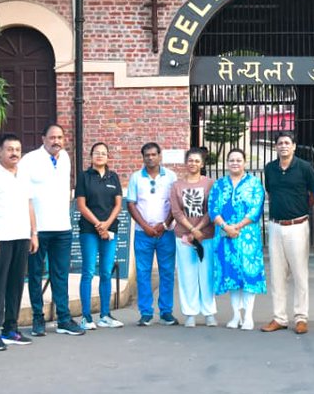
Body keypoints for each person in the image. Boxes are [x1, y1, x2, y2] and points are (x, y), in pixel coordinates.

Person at [21, 124, 83, 336]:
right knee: (36, 275)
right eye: (52, 137)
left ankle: (64, 318)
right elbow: (24, 195)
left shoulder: (65, 157)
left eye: (59, 137)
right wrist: (31, 230)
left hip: (62, 228)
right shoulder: (29, 160)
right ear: (43, 138)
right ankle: (38, 318)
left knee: (61, 275)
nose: (56, 141)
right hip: (38, 230)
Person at [0, 134, 38, 351]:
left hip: (21, 236)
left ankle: (10, 328)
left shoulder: (23, 174)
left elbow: (29, 204)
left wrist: (34, 233)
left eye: (17, 149)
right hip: (0, 238)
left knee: (15, 285)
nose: (14, 153)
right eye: (9, 149)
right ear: (0, 152)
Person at [261, 131, 314, 334]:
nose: (283, 146)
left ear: (294, 146)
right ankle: (279, 317)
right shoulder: (270, 169)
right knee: (277, 275)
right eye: (280, 143)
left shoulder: (304, 168)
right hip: (276, 226)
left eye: (287, 142)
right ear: (275, 147)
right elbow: (270, 191)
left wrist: (300, 208)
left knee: (300, 273)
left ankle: (301, 317)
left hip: (298, 225)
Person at [211, 148, 266, 329]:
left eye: (238, 160)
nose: (235, 163)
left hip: (248, 237)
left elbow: (256, 209)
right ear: (227, 163)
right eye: (231, 160)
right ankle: (235, 316)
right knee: (232, 276)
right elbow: (213, 209)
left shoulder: (254, 183)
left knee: (248, 276)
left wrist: (238, 226)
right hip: (225, 236)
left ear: (245, 162)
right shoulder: (219, 184)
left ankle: (248, 317)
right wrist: (226, 227)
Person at [74, 141, 124, 330]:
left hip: (110, 230)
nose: (100, 155)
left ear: (108, 156)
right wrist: (98, 225)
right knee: (88, 272)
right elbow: (81, 205)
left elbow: (118, 204)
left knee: (105, 271)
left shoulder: (113, 177)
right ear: (91, 156)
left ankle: (105, 315)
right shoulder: (84, 177)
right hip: (89, 230)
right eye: (96, 152)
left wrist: (106, 225)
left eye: (103, 153)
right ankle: (86, 317)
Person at [126, 142, 178, 326]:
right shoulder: (136, 178)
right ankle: (146, 312)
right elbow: (131, 204)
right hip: (143, 233)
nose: (150, 158)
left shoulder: (171, 177)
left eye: (153, 154)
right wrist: (145, 226)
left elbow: (175, 204)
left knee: (167, 272)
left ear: (159, 156)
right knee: (143, 272)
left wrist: (164, 224)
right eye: (146, 155)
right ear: (143, 157)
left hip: (166, 233)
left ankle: (166, 311)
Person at [171, 146, 217, 327]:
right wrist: (191, 230)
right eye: (190, 160)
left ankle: (209, 312)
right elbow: (176, 211)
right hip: (184, 237)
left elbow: (211, 209)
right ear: (185, 163)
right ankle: (190, 313)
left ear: (202, 163)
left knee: (207, 275)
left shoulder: (210, 184)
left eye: (197, 161)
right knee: (187, 275)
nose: (193, 163)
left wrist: (199, 229)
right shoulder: (177, 186)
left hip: (206, 236)